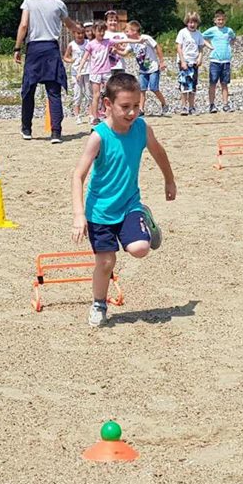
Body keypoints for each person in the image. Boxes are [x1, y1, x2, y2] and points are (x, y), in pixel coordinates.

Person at [71, 73, 176, 328]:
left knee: (139, 249)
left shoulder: (142, 128)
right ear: (108, 104)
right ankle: (99, 304)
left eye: (136, 106)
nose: (132, 113)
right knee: (106, 262)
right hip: (100, 211)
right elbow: (78, 175)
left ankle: (144, 219)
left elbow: (159, 152)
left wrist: (169, 180)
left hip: (130, 204)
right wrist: (79, 215)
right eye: (125, 107)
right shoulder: (99, 136)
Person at [14, 0, 84, 143]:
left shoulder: (29, 0)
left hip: (34, 49)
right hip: (51, 48)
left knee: (28, 90)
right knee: (53, 91)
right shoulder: (59, 4)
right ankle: (56, 133)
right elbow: (69, 25)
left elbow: (23, 25)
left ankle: (26, 129)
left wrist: (17, 48)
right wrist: (79, 29)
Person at [78, 21, 119, 126]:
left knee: (109, 93)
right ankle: (95, 117)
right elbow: (84, 58)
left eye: (103, 31)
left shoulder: (108, 41)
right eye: (99, 31)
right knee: (96, 95)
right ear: (94, 31)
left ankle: (109, 115)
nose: (101, 33)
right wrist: (79, 71)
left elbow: (122, 40)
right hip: (95, 72)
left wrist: (137, 40)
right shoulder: (91, 44)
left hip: (106, 71)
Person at [125, 20, 169, 116]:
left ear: (134, 31)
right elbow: (124, 53)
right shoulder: (131, 42)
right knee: (142, 89)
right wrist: (116, 50)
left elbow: (157, 47)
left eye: (127, 31)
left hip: (153, 68)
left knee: (154, 88)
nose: (126, 33)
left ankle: (164, 104)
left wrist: (162, 61)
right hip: (143, 70)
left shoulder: (145, 38)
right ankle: (141, 109)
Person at [202, 9, 236, 113]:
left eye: (222, 20)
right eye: (218, 20)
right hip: (215, 60)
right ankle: (212, 104)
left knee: (224, 83)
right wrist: (209, 46)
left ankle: (225, 104)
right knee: (213, 83)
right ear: (215, 20)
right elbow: (201, 37)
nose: (220, 21)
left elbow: (233, 37)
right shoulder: (212, 30)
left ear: (225, 20)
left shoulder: (229, 30)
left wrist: (230, 45)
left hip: (226, 60)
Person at [175, 11, 204, 115]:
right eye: (190, 22)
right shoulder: (182, 32)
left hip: (194, 62)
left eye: (194, 22)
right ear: (187, 22)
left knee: (193, 86)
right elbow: (179, 47)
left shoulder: (199, 34)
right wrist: (182, 61)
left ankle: (192, 107)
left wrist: (200, 58)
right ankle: (184, 107)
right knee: (184, 85)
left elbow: (201, 48)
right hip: (184, 62)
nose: (192, 24)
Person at [63, 22, 92, 124]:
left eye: (82, 33)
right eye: (78, 33)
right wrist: (71, 60)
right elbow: (65, 57)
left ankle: (90, 114)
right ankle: (77, 115)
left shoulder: (88, 43)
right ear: (74, 33)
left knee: (89, 93)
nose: (80, 35)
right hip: (76, 72)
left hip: (88, 70)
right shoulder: (72, 45)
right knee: (77, 94)